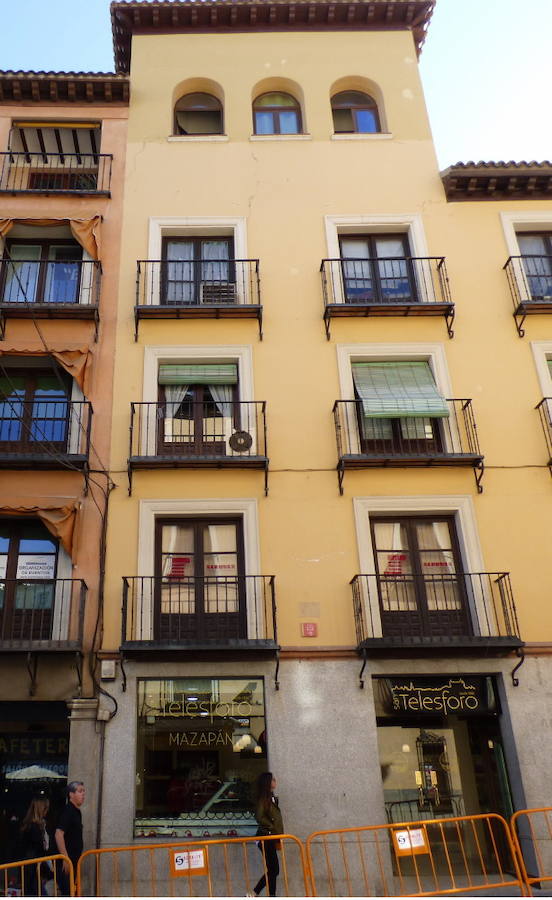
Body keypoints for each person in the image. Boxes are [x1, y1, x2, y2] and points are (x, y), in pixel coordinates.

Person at [250, 772, 284, 898]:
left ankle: (271, 895)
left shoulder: (271, 797)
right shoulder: (263, 799)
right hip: (265, 837)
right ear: (267, 782)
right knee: (274, 869)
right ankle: (254, 893)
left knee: (273, 869)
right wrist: (270, 826)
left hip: (271, 837)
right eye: (273, 779)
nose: (275, 781)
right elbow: (259, 816)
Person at [55, 781, 85, 896]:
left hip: (74, 860)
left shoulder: (76, 812)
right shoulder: (68, 811)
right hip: (67, 861)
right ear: (71, 794)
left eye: (84, 791)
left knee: (72, 891)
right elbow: (59, 833)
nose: (83, 794)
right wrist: (65, 858)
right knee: (67, 892)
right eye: (80, 791)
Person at [19, 796, 51, 897]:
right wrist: (47, 871)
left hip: (31, 868)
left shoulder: (31, 825)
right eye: (46, 808)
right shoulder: (34, 827)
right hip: (32, 868)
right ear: (41, 809)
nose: (47, 811)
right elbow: (39, 850)